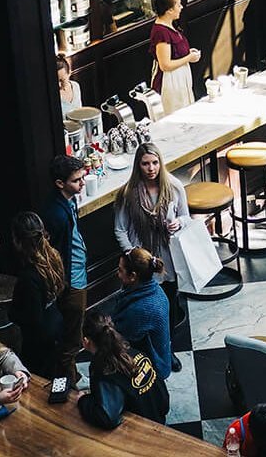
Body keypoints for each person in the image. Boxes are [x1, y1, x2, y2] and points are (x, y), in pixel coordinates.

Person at [114, 142, 190, 339]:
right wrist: (132, 254)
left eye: (155, 163)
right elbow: (120, 229)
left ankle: (168, 342)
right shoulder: (128, 193)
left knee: (169, 299)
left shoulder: (173, 187)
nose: (151, 168)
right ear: (138, 165)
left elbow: (186, 217)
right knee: (142, 303)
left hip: (167, 253)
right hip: (141, 255)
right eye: (145, 163)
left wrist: (178, 223)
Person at [38, 154, 89, 387]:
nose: (82, 183)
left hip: (77, 271)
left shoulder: (68, 201)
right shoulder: (55, 214)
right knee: (72, 336)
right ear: (60, 183)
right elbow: (55, 254)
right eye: (76, 180)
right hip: (71, 279)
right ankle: (70, 380)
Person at [76, 312, 170, 429]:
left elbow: (107, 417)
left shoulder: (103, 370)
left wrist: (83, 401)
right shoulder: (133, 351)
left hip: (140, 428)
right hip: (157, 415)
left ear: (86, 341)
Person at [8, 211, 66, 378]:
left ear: (18, 241)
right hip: (56, 324)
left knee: (38, 380)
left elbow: (33, 318)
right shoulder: (53, 257)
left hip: (39, 341)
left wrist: (12, 313)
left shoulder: (29, 277)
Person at [112, 247, 173, 380]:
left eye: (121, 270)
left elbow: (120, 336)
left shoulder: (140, 310)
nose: (118, 274)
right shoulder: (156, 290)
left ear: (133, 276)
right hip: (161, 351)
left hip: (153, 366)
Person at [149, 0, 201, 115]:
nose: (181, 7)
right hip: (170, 80)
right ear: (169, 10)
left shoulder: (170, 26)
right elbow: (165, 65)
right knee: (176, 112)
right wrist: (189, 57)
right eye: (178, 5)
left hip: (179, 77)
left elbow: (174, 52)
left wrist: (187, 53)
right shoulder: (161, 32)